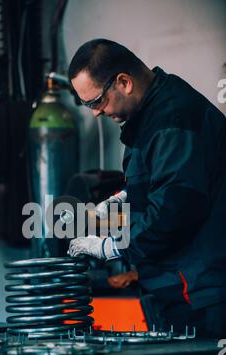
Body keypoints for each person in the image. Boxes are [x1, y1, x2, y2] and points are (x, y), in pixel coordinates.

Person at [68, 38, 226, 337]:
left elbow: (172, 212)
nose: (95, 114)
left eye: (96, 102)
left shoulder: (175, 117)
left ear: (124, 82)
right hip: (175, 292)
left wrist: (111, 248)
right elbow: (162, 182)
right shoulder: (147, 117)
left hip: (204, 295)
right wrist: (122, 199)